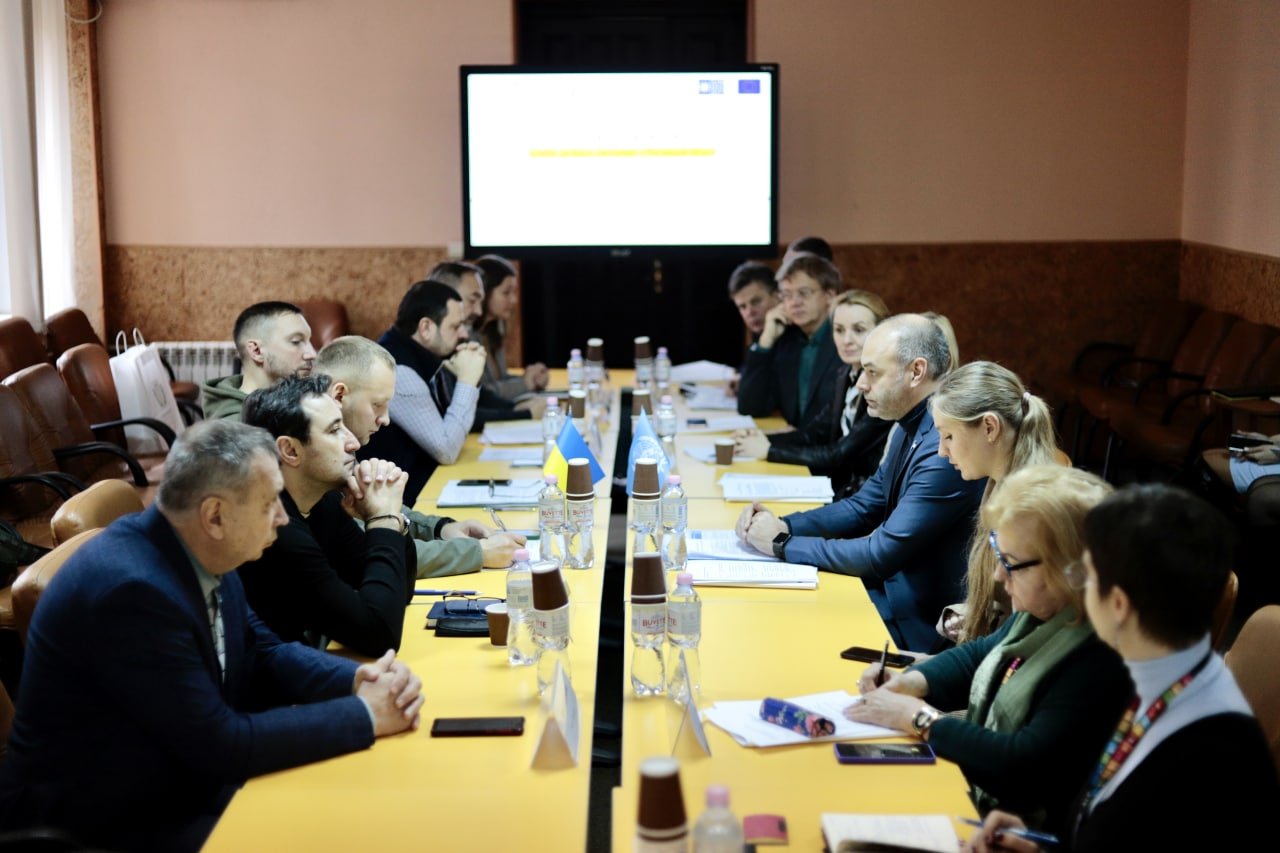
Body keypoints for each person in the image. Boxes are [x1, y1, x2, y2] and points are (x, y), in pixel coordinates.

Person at [0, 420, 424, 851]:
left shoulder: (193, 545)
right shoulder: (132, 593)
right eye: (269, 504)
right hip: (105, 825)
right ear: (215, 516)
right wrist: (365, 715)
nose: (283, 518)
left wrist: (356, 681)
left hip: (174, 783)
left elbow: (263, 653)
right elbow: (219, 745)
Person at [964, 484, 1278, 852]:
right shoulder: (1168, 682)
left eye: (1086, 575)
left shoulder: (1207, 749)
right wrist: (1041, 845)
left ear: (1118, 604)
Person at [846, 465, 1131, 836]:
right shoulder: (1047, 610)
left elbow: (1020, 765)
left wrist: (918, 718)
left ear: (1069, 570)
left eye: (1010, 562)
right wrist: (910, 683)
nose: (998, 574)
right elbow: (977, 657)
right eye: (998, 552)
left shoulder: (1098, 656)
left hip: (1021, 833)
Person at [736, 314, 986, 652]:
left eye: (873, 372)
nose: (861, 384)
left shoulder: (943, 445)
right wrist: (784, 525)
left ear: (916, 371)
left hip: (917, 624)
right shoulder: (911, 422)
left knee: (779, 633)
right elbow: (864, 505)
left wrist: (781, 543)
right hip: (889, 595)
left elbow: (879, 553)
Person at [314, 336, 524, 578]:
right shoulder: (318, 456)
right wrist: (478, 552)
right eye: (377, 404)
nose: (385, 419)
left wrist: (440, 528)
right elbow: (374, 551)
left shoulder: (340, 446)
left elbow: (381, 509)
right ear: (339, 395)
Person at [239, 375, 415, 657]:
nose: (353, 443)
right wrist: (382, 519)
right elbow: (379, 635)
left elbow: (397, 591)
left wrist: (393, 520)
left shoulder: (323, 501)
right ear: (290, 450)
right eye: (334, 431)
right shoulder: (277, 530)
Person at [931, 362, 1060, 644]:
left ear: (989, 427)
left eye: (948, 436)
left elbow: (1025, 630)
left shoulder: (1028, 510)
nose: (942, 451)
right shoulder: (998, 482)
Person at [734, 289, 893, 497]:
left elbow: (839, 454)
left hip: (863, 497)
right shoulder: (845, 373)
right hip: (840, 488)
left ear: (881, 333)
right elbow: (814, 433)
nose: (846, 339)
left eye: (859, 330)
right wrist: (761, 438)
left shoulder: (884, 388)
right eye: (839, 330)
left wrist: (768, 451)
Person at [363, 280, 486, 503]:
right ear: (426, 328)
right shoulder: (398, 370)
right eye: (455, 326)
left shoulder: (424, 354)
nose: (464, 334)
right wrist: (467, 381)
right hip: (405, 499)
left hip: (425, 483)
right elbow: (447, 449)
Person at [427, 260, 546, 424]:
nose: (478, 310)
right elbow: (458, 413)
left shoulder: (489, 331)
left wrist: (517, 406)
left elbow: (479, 394)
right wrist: (524, 405)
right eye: (472, 300)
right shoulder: (435, 348)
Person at [736, 253, 843, 427]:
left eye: (804, 293)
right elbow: (751, 408)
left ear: (829, 295)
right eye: (787, 295)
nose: (794, 302)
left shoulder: (845, 343)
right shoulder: (787, 341)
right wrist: (765, 342)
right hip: (795, 441)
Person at [202, 301, 317, 420]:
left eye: (309, 341)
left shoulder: (295, 402)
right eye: (296, 342)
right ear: (256, 351)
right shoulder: (237, 427)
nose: (312, 354)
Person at [473, 254, 550, 398]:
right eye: (506, 292)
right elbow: (483, 394)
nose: (513, 300)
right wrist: (525, 383)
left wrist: (533, 378)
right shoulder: (466, 336)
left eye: (513, 292)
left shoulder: (494, 330)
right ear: (485, 292)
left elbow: (500, 380)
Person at [727, 260, 781, 342]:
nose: (749, 312)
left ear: (777, 296)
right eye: (742, 306)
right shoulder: (755, 342)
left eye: (756, 302)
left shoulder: (799, 338)